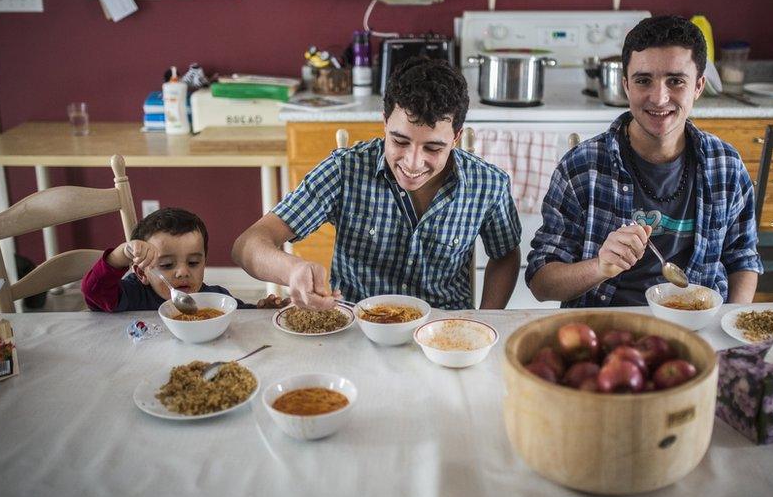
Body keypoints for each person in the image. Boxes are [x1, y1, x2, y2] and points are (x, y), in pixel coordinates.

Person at [233, 57, 522, 311]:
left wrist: (486, 316)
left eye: (433, 148)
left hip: (443, 330)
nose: (412, 162)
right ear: (385, 123)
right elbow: (247, 245)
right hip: (358, 327)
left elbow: (505, 255)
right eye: (399, 141)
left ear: (455, 137)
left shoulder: (489, 184)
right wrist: (292, 269)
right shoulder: (345, 169)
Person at [526, 15, 762, 307]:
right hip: (602, 330)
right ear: (626, 85)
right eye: (643, 80)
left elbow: (743, 258)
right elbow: (541, 282)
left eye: (675, 81)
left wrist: (729, 324)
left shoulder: (726, 166)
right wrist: (599, 266)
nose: (659, 98)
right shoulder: (582, 166)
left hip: (698, 327)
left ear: (699, 86)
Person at [83, 207, 288, 312]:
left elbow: (240, 319)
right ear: (141, 272)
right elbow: (94, 291)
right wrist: (122, 254)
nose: (183, 272)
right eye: (166, 265)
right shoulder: (131, 297)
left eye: (193, 263)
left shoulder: (214, 298)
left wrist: (260, 311)